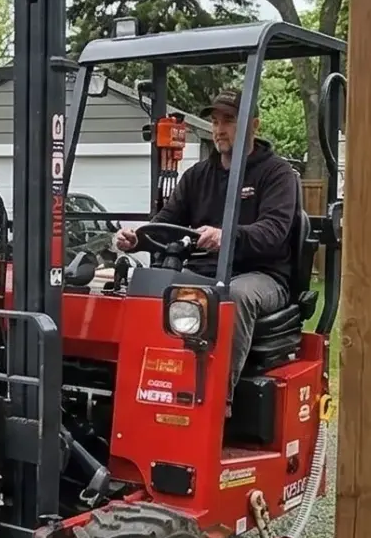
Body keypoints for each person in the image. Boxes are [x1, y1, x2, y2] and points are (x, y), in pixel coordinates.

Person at [114, 88, 304, 386]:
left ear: (254, 125)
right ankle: (148, 386)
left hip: (262, 274)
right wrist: (137, 238)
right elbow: (166, 223)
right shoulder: (198, 176)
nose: (219, 129)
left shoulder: (277, 174)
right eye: (215, 122)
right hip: (205, 271)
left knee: (233, 296)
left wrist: (227, 236)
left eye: (228, 120)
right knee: (152, 287)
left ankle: (218, 402)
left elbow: (274, 233)